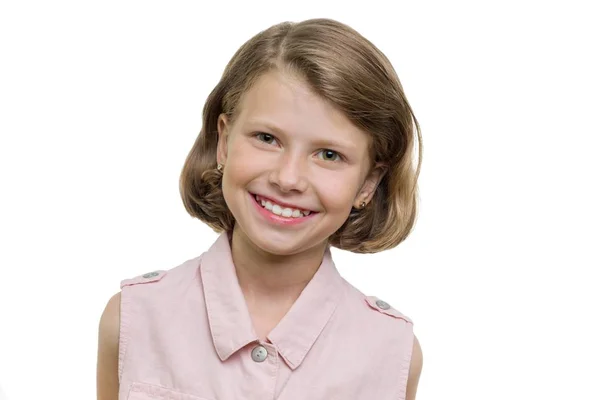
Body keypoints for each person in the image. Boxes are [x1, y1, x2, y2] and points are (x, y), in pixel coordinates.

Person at [97, 18, 423, 400]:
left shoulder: (392, 353)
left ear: (368, 183)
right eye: (267, 138)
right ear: (224, 142)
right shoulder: (132, 319)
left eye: (329, 154)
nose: (288, 179)